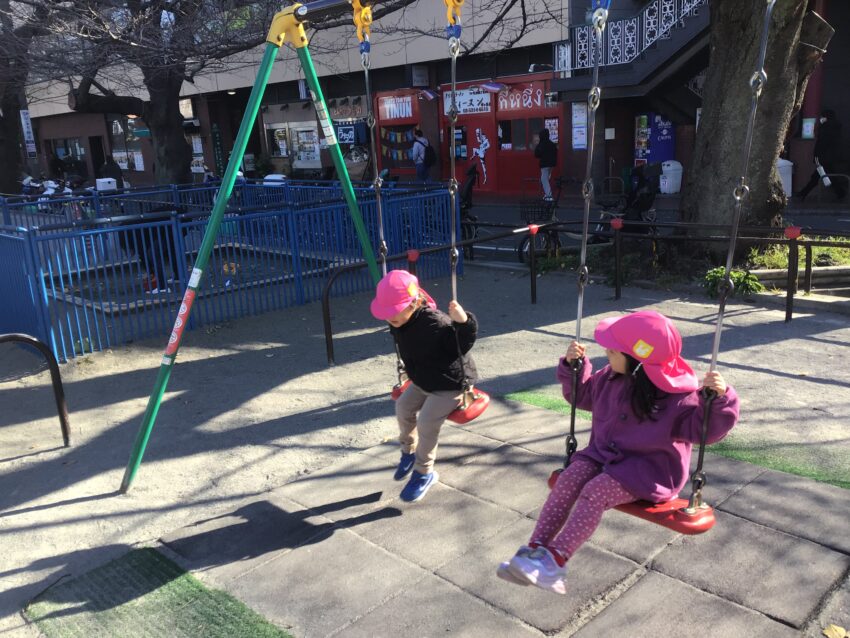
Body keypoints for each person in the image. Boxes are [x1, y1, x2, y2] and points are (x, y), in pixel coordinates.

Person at [497, 310, 739, 595]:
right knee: (570, 479)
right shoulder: (609, 378)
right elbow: (582, 396)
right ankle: (535, 551)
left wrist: (720, 401)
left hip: (647, 471)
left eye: (612, 352)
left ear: (637, 361)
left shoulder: (678, 399)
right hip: (602, 456)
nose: (607, 355)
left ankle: (556, 561)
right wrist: (575, 368)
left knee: (595, 491)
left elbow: (704, 430)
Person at [370, 270, 478, 503]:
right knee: (402, 407)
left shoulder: (435, 322)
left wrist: (464, 322)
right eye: (388, 317)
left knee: (427, 421)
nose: (391, 322)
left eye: (395, 317)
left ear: (413, 303)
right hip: (424, 379)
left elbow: (461, 343)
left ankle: (423, 472)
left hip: (450, 383)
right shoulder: (401, 321)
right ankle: (408, 452)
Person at [797, 109, 846, 201]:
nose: (821, 118)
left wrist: (817, 156)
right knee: (822, 175)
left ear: (826, 117)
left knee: (818, 176)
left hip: (823, 157)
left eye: (822, 116)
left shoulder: (826, 128)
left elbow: (822, 143)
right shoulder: (834, 127)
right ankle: (840, 192)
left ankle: (803, 193)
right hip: (829, 157)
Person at [534, 128, 558, 201]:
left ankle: (549, 195)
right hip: (552, 164)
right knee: (546, 178)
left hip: (544, 164)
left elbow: (537, 154)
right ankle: (546, 193)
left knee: (544, 179)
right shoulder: (552, 144)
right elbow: (555, 152)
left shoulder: (542, 144)